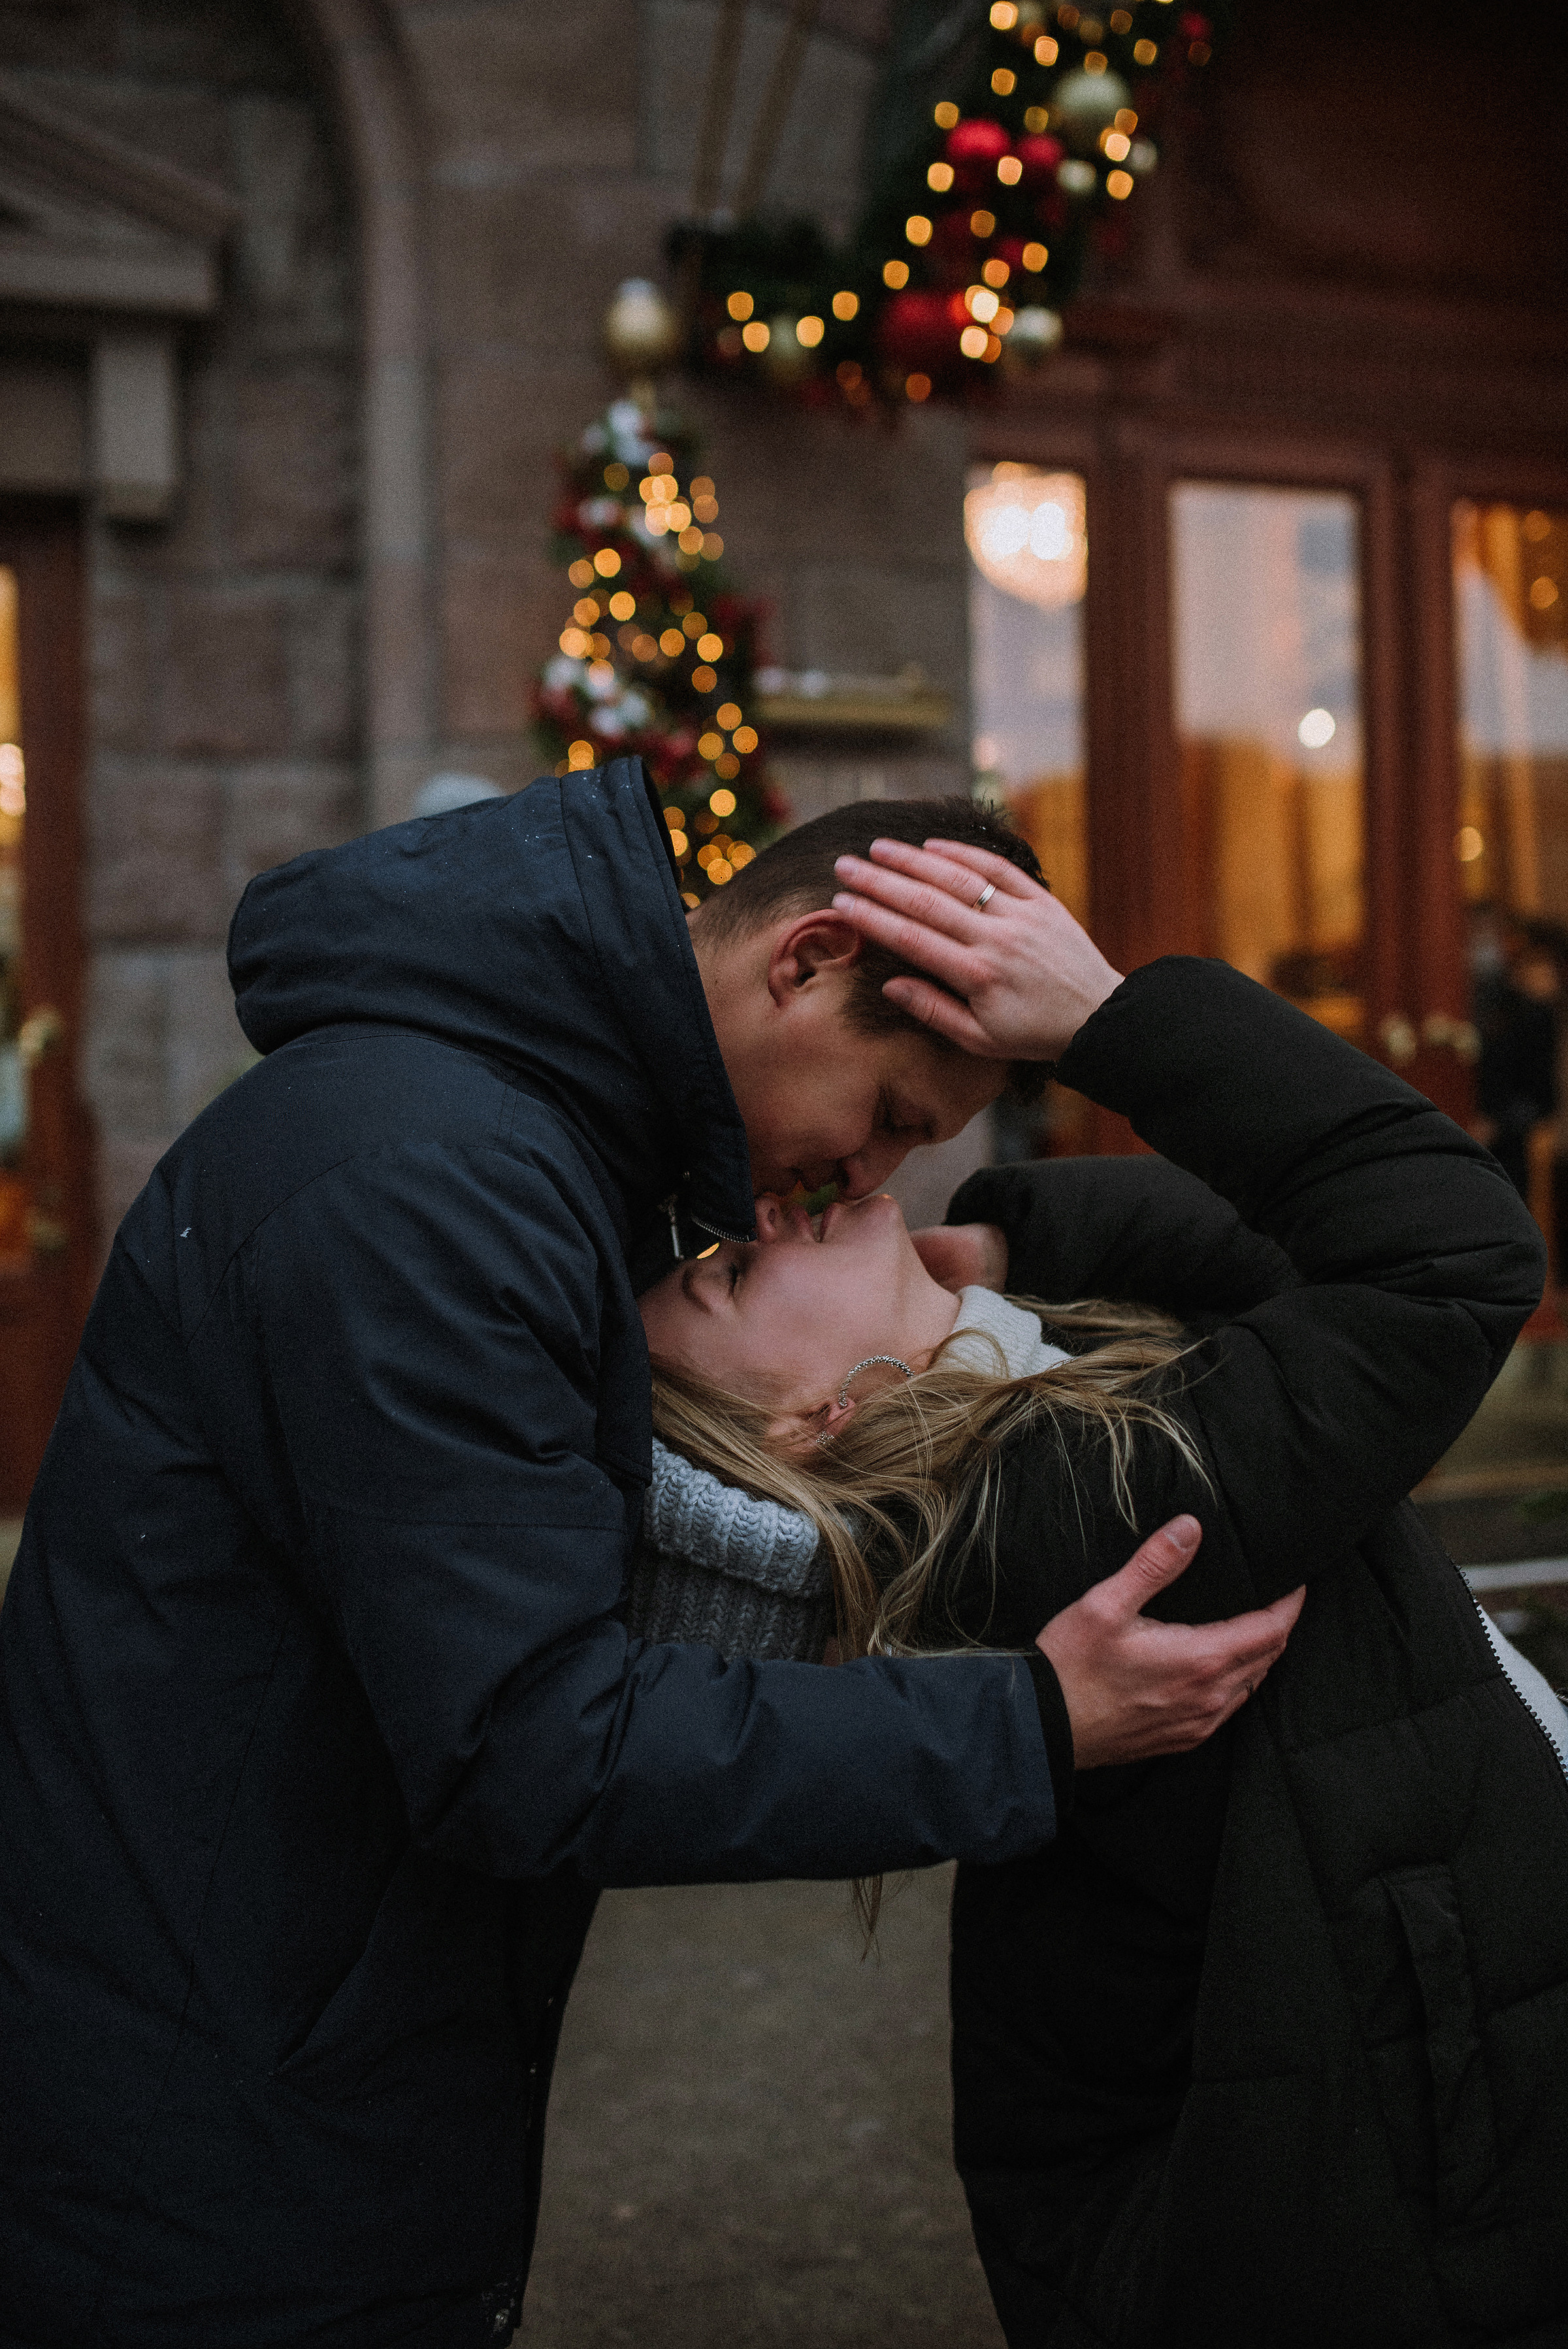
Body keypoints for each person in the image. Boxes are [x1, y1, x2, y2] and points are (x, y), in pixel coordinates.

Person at [0, 767, 1296, 2349]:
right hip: (209, 2133)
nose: (868, 1178)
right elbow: (529, 1738)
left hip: (273, 2054)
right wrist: (1030, 1719)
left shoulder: (513, 1144)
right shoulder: (442, 1179)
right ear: (807, 959)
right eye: (888, 1115)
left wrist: (1092, 1064)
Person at [639, 830, 1568, 2348]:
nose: (785, 1202)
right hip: (1388, 2193)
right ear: (816, 1424)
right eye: (731, 1277)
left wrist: (1020, 1231)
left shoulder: (1031, 1389)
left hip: (1392, 2120)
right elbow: (1447, 1256)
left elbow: (1271, 1261)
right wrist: (1105, 1021)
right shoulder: (1057, 1518)